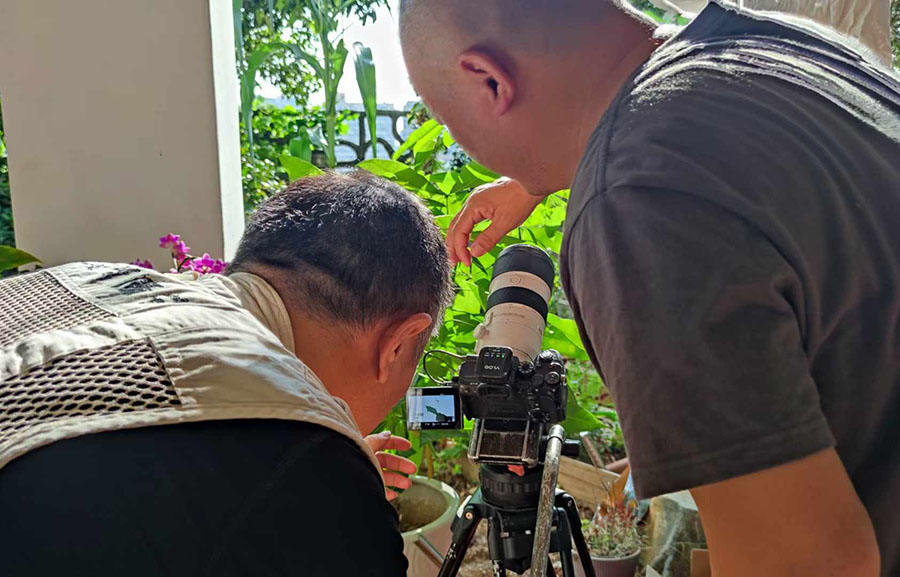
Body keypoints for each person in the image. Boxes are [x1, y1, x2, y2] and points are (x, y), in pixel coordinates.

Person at [399, 1, 900, 575]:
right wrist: (541, 172)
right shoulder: (777, 44)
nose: (465, 146)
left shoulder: (636, 204)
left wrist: (614, 175)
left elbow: (806, 562)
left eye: (449, 124)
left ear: (489, 80)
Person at [0, 170, 452, 576]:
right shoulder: (310, 468)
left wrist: (300, 469)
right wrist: (326, 483)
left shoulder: (83, 278)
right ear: (397, 344)